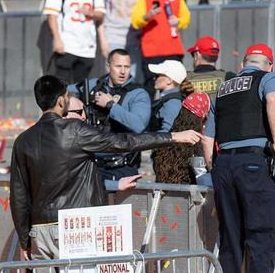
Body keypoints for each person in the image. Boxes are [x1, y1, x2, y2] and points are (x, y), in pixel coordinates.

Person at [10, 76, 201, 273]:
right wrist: (174, 136)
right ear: (60, 102)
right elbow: (124, 143)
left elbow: (19, 193)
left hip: (40, 227)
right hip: (75, 225)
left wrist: (23, 237)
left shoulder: (24, 141)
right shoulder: (75, 132)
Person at [204, 43, 275, 273]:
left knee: (231, 241)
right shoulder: (268, 79)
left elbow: (208, 135)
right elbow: (273, 102)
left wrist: (213, 166)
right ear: (269, 64)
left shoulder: (224, 88)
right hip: (253, 163)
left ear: (243, 63)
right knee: (262, 237)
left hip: (224, 164)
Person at [79, 49, 153, 184]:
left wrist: (110, 105)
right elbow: (65, 92)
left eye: (127, 67)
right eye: (118, 66)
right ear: (108, 66)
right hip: (92, 165)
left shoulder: (138, 93)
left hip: (121, 168)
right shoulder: (95, 85)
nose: (123, 72)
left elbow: (139, 125)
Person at [43, 0, 105, 86]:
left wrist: (90, 13)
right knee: (62, 85)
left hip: (87, 47)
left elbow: (101, 15)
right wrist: (57, 39)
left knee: (82, 86)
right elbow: (52, 16)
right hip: (67, 45)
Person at [131, 0, 191, 85]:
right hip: (151, 51)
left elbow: (187, 17)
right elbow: (135, 21)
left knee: (177, 84)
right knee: (151, 86)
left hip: (173, 50)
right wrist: (148, 16)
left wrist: (178, 21)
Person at [153, 92, 213, 186]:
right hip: (189, 196)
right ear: (205, 115)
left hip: (167, 195)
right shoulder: (198, 144)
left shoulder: (170, 139)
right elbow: (203, 178)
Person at [149, 60, 196, 133]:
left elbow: (168, 133)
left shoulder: (172, 103)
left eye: (157, 75)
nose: (154, 78)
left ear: (169, 80)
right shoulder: (170, 99)